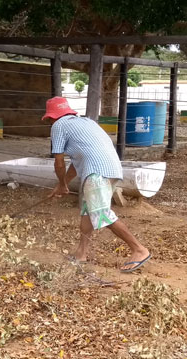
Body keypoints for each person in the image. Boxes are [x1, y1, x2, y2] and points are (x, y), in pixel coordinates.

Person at [42, 96, 151, 273]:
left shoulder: (58, 126)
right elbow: (77, 163)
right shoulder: (86, 122)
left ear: (52, 117)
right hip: (111, 168)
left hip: (96, 173)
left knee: (100, 213)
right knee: (88, 211)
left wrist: (61, 184)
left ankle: (139, 249)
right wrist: (62, 184)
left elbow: (59, 163)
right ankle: (81, 253)